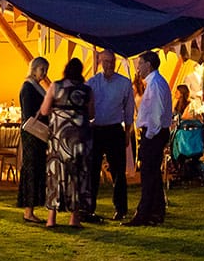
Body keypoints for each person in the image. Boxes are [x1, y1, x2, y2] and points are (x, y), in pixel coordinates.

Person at [39, 58, 95, 229]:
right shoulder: (87, 90)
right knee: (77, 174)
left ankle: (51, 218)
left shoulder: (55, 86)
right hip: (79, 137)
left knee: (55, 174)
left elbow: (44, 110)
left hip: (59, 137)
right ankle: (74, 218)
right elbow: (92, 113)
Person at [85, 50, 135, 222]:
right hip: (96, 129)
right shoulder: (92, 83)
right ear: (100, 62)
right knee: (92, 171)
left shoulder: (124, 83)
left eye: (111, 62)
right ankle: (89, 208)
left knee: (118, 172)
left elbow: (129, 110)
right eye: (106, 62)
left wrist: (128, 132)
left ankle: (120, 209)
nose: (109, 65)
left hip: (115, 129)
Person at [124, 51, 172, 226]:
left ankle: (144, 213)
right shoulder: (153, 83)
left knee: (148, 174)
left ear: (149, 65)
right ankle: (156, 211)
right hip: (153, 133)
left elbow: (157, 114)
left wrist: (150, 134)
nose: (137, 67)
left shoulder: (156, 84)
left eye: (140, 63)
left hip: (154, 134)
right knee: (153, 174)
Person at [17, 57, 49, 224]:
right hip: (32, 134)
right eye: (42, 69)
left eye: (46, 70)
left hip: (36, 134)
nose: (44, 74)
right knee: (31, 170)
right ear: (34, 68)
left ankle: (31, 209)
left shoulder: (35, 86)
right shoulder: (28, 87)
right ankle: (28, 210)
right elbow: (30, 113)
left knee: (36, 169)